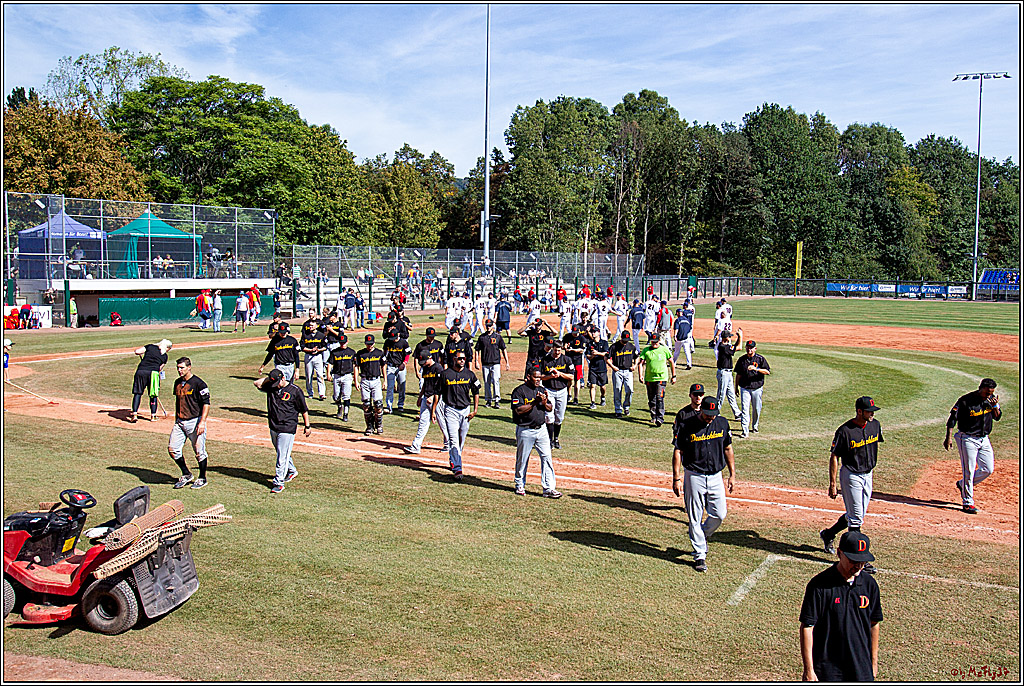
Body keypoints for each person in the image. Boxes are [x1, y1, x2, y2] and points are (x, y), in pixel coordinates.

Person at [799, 531, 883, 682]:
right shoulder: (819, 585)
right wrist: (809, 669)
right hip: (828, 669)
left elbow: (874, 624)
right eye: (853, 560)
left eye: (863, 561)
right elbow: (807, 626)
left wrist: (873, 662)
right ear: (839, 553)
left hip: (861, 667)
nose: (858, 566)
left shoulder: (870, 585)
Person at [819, 397, 884, 575]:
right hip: (851, 475)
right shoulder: (845, 431)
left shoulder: (875, 425)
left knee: (856, 514)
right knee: (856, 519)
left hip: (868, 474)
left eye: (873, 411)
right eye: (869, 411)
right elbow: (834, 457)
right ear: (859, 411)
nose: (872, 414)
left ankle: (828, 534)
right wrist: (833, 484)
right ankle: (858, 557)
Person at [671, 395, 736, 573]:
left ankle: (702, 534)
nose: (711, 418)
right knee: (694, 515)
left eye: (713, 414)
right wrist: (676, 478)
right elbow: (678, 451)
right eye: (708, 414)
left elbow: (728, 448)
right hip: (694, 475)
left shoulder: (722, 424)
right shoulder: (687, 425)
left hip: (716, 476)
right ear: (702, 411)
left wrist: (732, 474)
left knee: (720, 514)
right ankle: (699, 554)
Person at [945, 378, 1002, 514]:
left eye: (991, 392)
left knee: (988, 469)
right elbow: (952, 419)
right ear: (980, 388)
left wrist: (994, 407)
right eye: (987, 392)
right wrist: (948, 437)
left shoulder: (991, 400)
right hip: (967, 438)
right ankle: (967, 503)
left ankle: (962, 484)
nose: (989, 395)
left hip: (984, 438)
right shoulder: (965, 400)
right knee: (968, 470)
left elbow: (997, 417)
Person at [253, 369, 310, 494]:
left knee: (281, 456)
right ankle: (292, 470)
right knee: (281, 452)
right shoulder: (271, 387)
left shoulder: (295, 391)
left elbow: (304, 410)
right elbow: (256, 383)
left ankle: (279, 482)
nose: (276, 385)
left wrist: (307, 425)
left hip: (288, 427)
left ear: (283, 378)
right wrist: (270, 379)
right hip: (274, 426)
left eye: (278, 382)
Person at [511, 366, 561, 498]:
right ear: (528, 377)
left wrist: (544, 403)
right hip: (525, 430)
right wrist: (535, 402)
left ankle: (549, 488)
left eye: (540, 377)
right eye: (536, 377)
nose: (538, 380)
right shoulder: (519, 391)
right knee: (522, 459)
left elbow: (549, 408)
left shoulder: (542, 390)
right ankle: (520, 484)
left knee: (547, 457)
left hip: (541, 429)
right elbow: (518, 410)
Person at [167, 357, 211, 490]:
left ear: (189, 367)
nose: (179, 370)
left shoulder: (199, 383)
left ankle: (202, 477)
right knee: (173, 449)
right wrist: (176, 420)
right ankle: (186, 474)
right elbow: (179, 403)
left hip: (194, 422)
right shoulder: (177, 383)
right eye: (178, 368)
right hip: (180, 422)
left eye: (182, 368)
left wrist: (202, 422)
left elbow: (206, 403)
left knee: (199, 452)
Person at [441, 349, 480, 480]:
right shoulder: (445, 374)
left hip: (465, 410)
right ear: (454, 359)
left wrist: (475, 410)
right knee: (453, 440)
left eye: (463, 358)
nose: (462, 360)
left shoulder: (470, 374)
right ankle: (457, 468)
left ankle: (454, 458)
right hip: (451, 410)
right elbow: (437, 392)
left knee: (461, 439)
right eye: (459, 358)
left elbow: (476, 391)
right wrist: (435, 409)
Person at [404, 351, 445, 455]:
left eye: (424, 361)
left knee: (442, 423)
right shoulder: (425, 368)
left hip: (437, 400)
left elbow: (441, 386)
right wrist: (420, 396)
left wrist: (433, 396)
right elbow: (425, 383)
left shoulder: (438, 368)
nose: (423, 363)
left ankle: (449, 444)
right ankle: (416, 446)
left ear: (430, 358)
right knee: (423, 422)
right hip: (425, 398)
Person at [734, 340, 771, 438]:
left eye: (751, 347)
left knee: (756, 408)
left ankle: (755, 426)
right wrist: (736, 387)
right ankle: (745, 431)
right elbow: (738, 374)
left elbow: (767, 371)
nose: (749, 349)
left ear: (755, 349)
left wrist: (757, 369)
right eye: (748, 347)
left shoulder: (760, 359)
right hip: (745, 387)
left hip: (757, 387)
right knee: (745, 409)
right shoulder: (742, 360)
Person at [637, 334, 676, 427]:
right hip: (649, 378)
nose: (654, 343)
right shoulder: (646, 350)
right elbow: (640, 363)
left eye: (656, 342)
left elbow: (671, 362)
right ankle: (653, 415)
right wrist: (640, 375)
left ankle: (660, 418)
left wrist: (673, 375)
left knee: (659, 397)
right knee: (652, 399)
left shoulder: (664, 350)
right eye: (652, 342)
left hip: (661, 378)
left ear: (659, 341)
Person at [541, 339, 574, 449]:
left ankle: (556, 439)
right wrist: (550, 376)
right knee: (549, 417)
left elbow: (571, 376)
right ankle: (549, 440)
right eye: (555, 350)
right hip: (549, 390)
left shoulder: (566, 360)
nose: (557, 353)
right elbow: (540, 376)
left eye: (559, 350)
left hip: (562, 391)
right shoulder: (546, 359)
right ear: (552, 349)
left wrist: (560, 374)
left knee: (559, 417)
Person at [130, 339, 171, 423]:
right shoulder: (165, 356)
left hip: (141, 371)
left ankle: (134, 414)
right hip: (153, 374)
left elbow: (137, 352)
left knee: (138, 393)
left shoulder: (150, 347)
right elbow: (160, 368)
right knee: (153, 395)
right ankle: (153, 416)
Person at [474, 319, 509, 408]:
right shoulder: (482, 337)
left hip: (495, 363)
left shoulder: (498, 337)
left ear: (493, 325)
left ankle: (497, 400)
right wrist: (476, 361)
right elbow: (477, 349)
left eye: (490, 325)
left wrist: (507, 362)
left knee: (496, 381)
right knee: (487, 382)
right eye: (487, 325)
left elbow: (503, 349)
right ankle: (488, 400)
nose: (488, 327)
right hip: (485, 363)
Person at [355, 334, 386, 435]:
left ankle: (379, 425)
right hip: (365, 380)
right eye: (368, 344)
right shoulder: (360, 354)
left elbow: (383, 366)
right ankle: (369, 426)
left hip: (376, 380)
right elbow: (356, 367)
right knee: (366, 405)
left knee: (378, 404)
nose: (369, 346)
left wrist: (385, 380)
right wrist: (355, 380)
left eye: (371, 344)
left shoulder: (379, 353)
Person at [607, 330, 637, 418]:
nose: (625, 341)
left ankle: (626, 407)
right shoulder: (614, 346)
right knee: (617, 390)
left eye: (627, 340)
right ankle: (618, 410)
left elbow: (637, 356)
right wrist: (612, 367)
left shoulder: (631, 346)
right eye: (624, 340)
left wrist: (635, 365)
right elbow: (607, 357)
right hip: (618, 371)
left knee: (630, 390)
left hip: (628, 371)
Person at [715, 327, 743, 420]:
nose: (730, 338)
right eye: (729, 337)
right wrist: (740, 337)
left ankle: (737, 413)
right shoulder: (723, 347)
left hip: (728, 373)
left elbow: (734, 347)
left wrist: (738, 338)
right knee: (721, 394)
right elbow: (739, 347)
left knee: (730, 393)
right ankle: (715, 412)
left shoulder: (725, 346)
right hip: (724, 373)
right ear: (725, 338)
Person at [327, 333, 357, 421]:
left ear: (347, 342)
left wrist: (355, 378)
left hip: (347, 375)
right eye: (341, 343)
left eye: (344, 342)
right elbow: (330, 363)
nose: (342, 344)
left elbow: (355, 365)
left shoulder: (351, 352)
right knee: (336, 396)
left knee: (346, 395)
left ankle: (345, 413)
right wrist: (328, 373)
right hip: (337, 375)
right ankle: (339, 406)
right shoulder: (335, 352)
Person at [300, 315, 328, 401]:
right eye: (309, 326)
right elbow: (302, 347)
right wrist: (310, 350)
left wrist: (318, 350)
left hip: (318, 356)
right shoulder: (305, 335)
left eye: (312, 326)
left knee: (320, 375)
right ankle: (310, 393)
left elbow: (325, 347)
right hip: (308, 356)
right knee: (309, 376)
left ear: (316, 326)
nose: (310, 327)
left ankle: (322, 393)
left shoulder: (321, 335)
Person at [383, 331, 411, 413]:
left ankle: (400, 404)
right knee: (390, 387)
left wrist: (404, 363)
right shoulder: (388, 342)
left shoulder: (404, 343)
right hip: (391, 366)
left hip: (400, 367)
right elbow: (385, 352)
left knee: (401, 386)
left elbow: (408, 353)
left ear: (398, 335)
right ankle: (389, 406)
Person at [562, 323, 588, 405]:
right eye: (574, 332)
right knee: (569, 379)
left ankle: (576, 397)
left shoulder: (582, 338)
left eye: (576, 332)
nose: (575, 334)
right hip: (568, 360)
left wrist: (572, 350)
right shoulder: (567, 337)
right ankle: (569, 395)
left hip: (577, 361)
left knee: (577, 380)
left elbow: (582, 350)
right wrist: (565, 347)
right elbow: (563, 346)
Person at [585, 324, 610, 409]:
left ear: (599, 333)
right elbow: (587, 355)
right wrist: (591, 356)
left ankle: (603, 397)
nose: (593, 334)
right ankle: (592, 402)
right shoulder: (589, 344)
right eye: (592, 332)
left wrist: (597, 353)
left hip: (602, 367)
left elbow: (607, 353)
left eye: (594, 332)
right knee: (592, 385)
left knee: (602, 386)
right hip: (592, 368)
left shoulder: (604, 343)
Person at [672, 301, 695, 370]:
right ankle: (689, 364)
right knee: (687, 351)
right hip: (686, 338)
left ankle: (674, 363)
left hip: (679, 338)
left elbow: (676, 328)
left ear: (678, 313)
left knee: (676, 351)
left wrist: (675, 336)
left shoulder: (677, 320)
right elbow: (689, 328)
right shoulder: (687, 320)